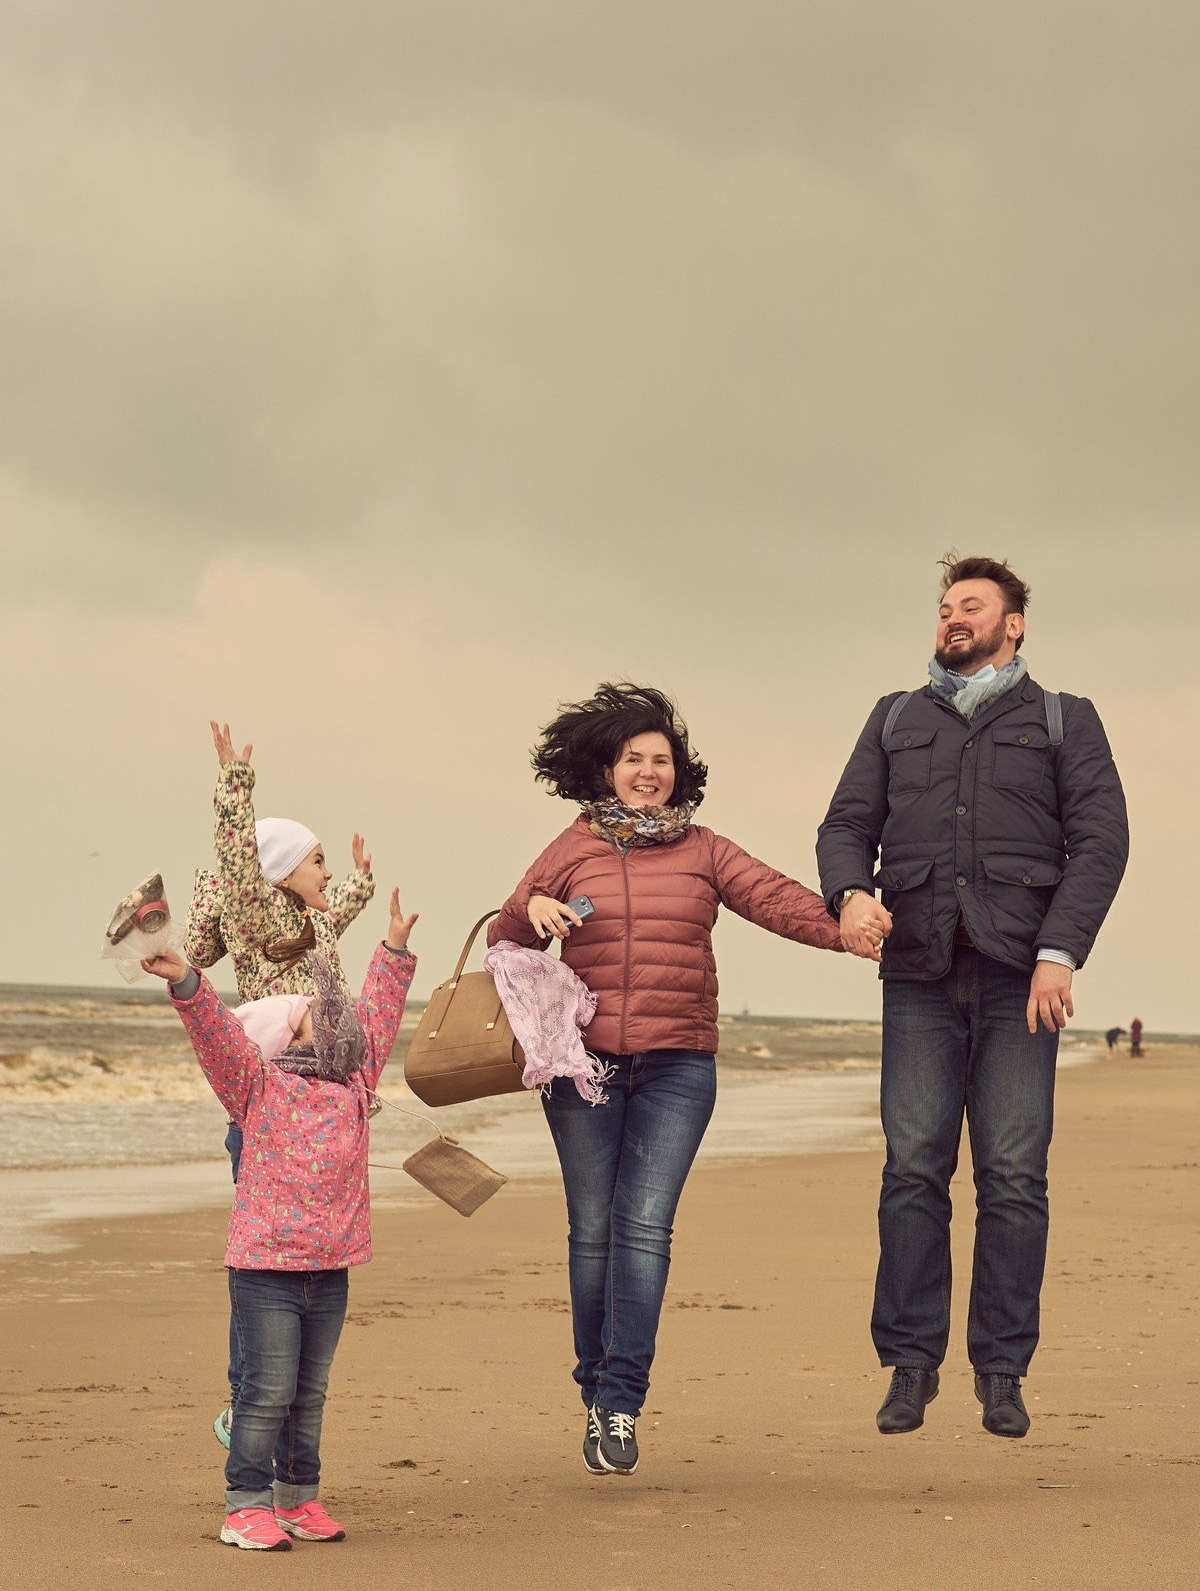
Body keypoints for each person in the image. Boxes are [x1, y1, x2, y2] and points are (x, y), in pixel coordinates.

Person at [488, 682, 873, 1477]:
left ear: (679, 771)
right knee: (591, 1229)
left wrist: (851, 931)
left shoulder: (705, 850)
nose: (648, 771)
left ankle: (621, 1402)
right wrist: (538, 908)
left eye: (661, 759)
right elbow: (504, 931)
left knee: (643, 1228)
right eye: (634, 758)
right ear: (607, 767)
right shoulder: (573, 846)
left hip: (677, 1065)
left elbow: (776, 899)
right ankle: (595, 1387)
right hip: (583, 1068)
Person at [817, 554, 1128, 1441]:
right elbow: (845, 825)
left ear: (1014, 623)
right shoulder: (892, 718)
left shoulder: (1067, 721)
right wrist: (850, 894)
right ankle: (909, 1365)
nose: (954, 617)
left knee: (1014, 1176)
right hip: (916, 969)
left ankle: (1002, 1370)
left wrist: (1059, 952)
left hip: (1019, 978)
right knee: (913, 1167)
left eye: (973, 605)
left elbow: (1101, 842)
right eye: (946, 606)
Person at [142, 888, 418, 1550]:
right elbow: (215, 1033)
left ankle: (298, 1498)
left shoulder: (355, 1084)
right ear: (283, 1035)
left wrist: (395, 952)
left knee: (309, 1394)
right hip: (266, 1269)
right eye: (314, 1014)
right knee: (265, 1394)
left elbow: (375, 1020)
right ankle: (245, 1503)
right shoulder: (257, 1086)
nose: (332, 1018)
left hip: (331, 1268)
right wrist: (185, 980)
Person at [185, 722, 376, 1447]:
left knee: (307, 1257)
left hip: (322, 1116)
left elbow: (340, 912)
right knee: (264, 1264)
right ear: (282, 869)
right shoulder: (259, 912)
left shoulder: (310, 923)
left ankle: (258, 1402)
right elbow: (238, 865)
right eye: (319, 860)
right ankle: (245, 1403)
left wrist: (357, 879)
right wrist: (236, 788)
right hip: (269, 1115)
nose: (327, 873)